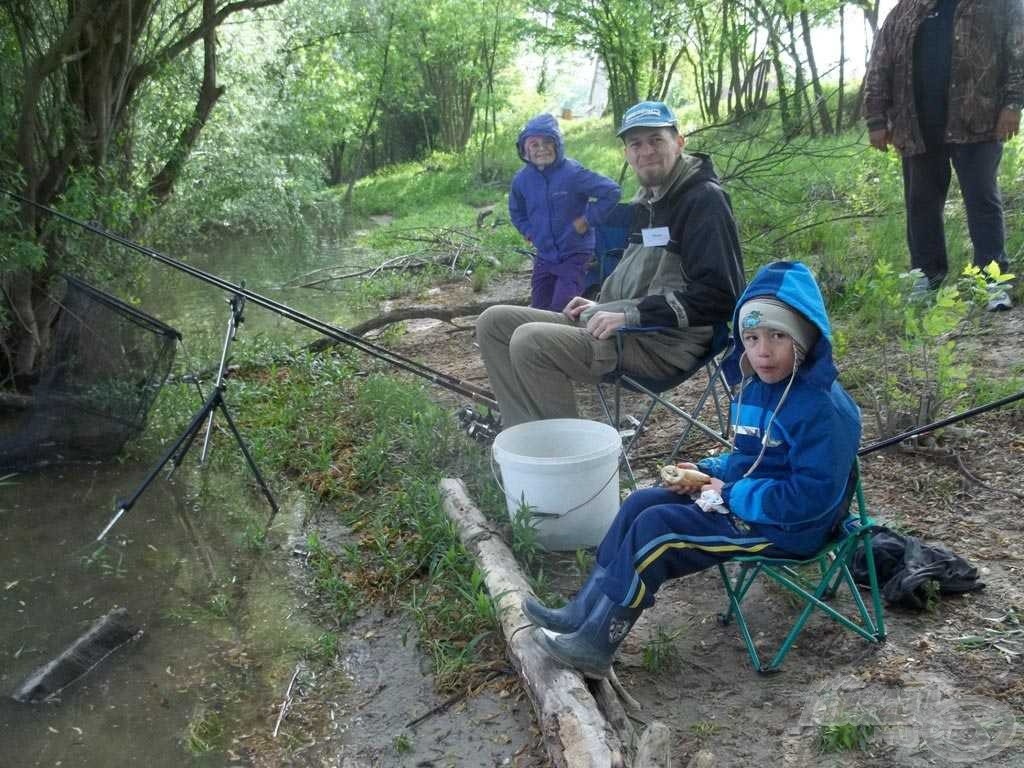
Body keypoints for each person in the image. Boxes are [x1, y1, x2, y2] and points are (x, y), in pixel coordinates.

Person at [522, 261, 862, 679]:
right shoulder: (757, 387)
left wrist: (731, 493)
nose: (763, 350)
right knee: (641, 502)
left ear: (806, 338)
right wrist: (704, 471)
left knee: (659, 529)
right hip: (749, 500)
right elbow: (747, 459)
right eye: (751, 338)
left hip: (789, 526)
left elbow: (811, 498)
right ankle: (583, 612)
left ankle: (599, 642)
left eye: (778, 336)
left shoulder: (823, 410)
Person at [478, 101, 744, 428]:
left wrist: (630, 314)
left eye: (656, 140)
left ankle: (568, 464)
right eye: (636, 143)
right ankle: (527, 440)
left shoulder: (704, 201)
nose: (645, 151)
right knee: (494, 322)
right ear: (627, 153)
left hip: (662, 342)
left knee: (531, 341)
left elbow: (722, 298)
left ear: (679, 141)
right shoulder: (648, 200)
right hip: (624, 324)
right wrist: (603, 304)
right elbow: (646, 276)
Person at [863, 0, 1023, 311]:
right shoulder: (905, 10)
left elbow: (1018, 51)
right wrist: (876, 118)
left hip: (978, 121)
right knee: (921, 204)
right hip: (918, 125)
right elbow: (879, 63)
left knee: (982, 201)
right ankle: (927, 277)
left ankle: (991, 281)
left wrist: (1014, 103)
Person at [510, 114, 622, 311]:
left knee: (563, 306)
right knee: (539, 306)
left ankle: (567, 338)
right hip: (544, 254)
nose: (541, 148)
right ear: (525, 151)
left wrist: (587, 220)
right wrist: (529, 231)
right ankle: (537, 339)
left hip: (575, 252)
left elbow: (611, 191)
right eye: (534, 144)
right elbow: (516, 211)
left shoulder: (572, 173)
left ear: (557, 144)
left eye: (547, 142)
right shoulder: (521, 180)